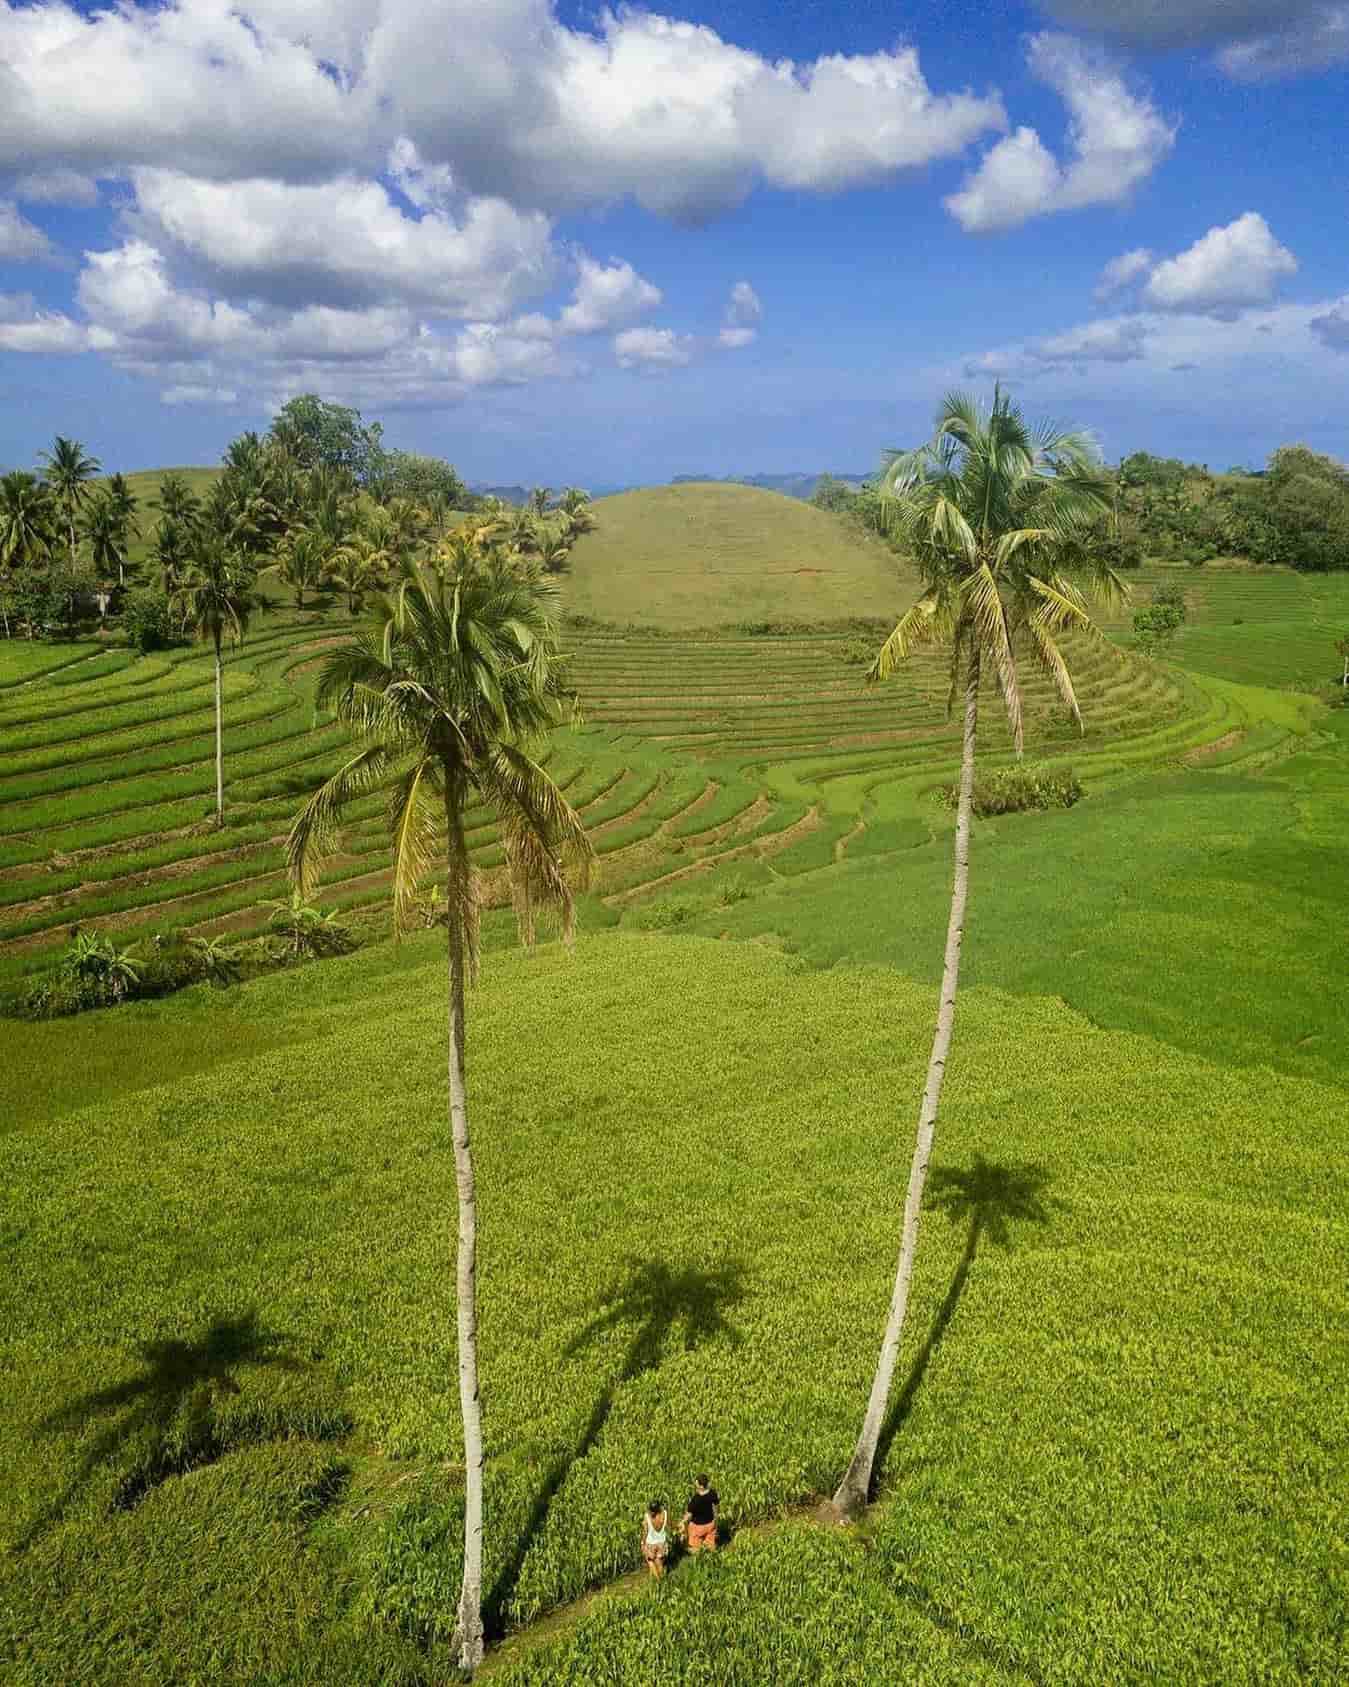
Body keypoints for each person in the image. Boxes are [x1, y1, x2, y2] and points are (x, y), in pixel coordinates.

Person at [681, 1473, 719, 1554]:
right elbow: (715, 1508)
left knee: (695, 1548)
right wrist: (715, 1521)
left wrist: (682, 1522)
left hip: (697, 1527)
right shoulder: (713, 1493)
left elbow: (689, 1515)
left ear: (701, 1486)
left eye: (697, 1484)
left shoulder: (695, 1500)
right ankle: (712, 1559)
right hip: (710, 1524)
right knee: (710, 1546)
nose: (696, 1486)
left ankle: (698, 1559)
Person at [641, 1499, 669, 1578]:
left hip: (651, 1543)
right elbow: (670, 1524)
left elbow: (645, 1531)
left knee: (650, 1560)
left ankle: (658, 1581)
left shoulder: (647, 1516)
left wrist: (642, 1542)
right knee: (659, 1561)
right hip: (662, 1542)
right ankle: (662, 1579)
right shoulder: (665, 1514)